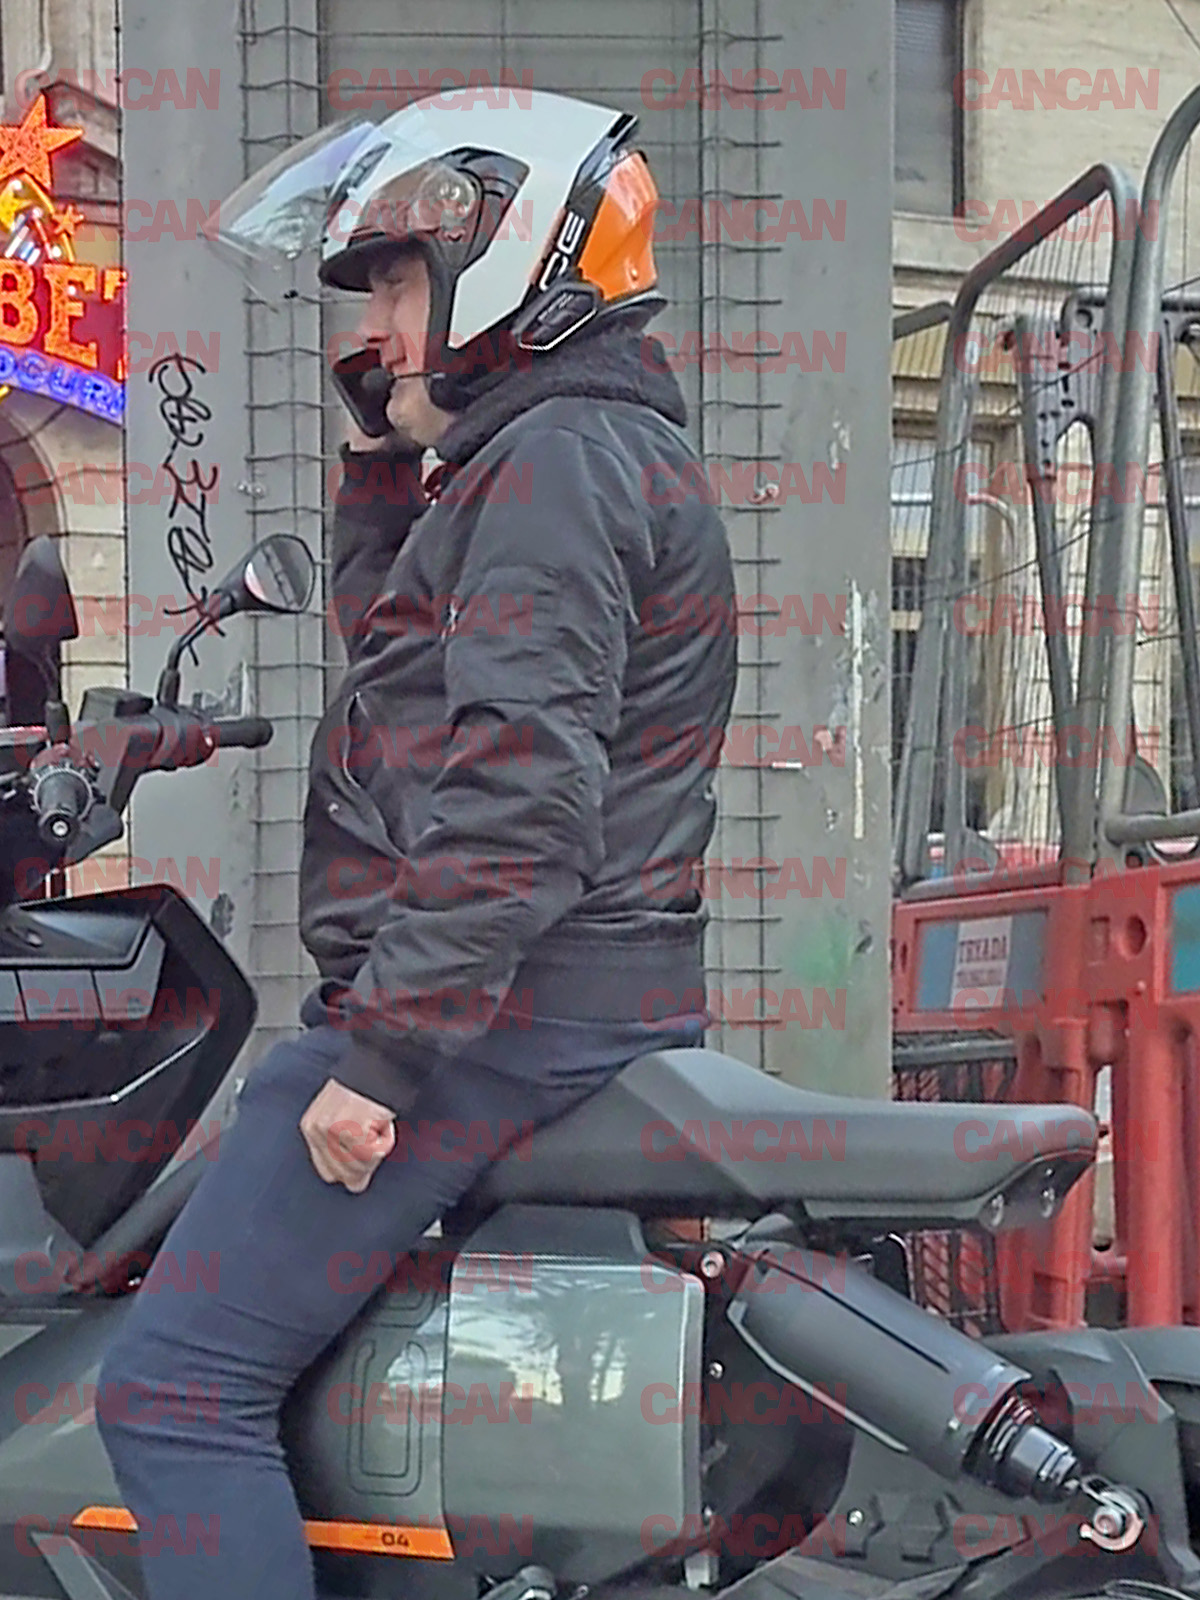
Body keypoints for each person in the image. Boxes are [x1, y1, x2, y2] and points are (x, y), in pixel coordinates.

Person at [96, 89, 737, 1600]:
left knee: (172, 1394)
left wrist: (383, 1059)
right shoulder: (563, 454)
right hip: (558, 994)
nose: (374, 326)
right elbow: (410, 681)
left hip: (503, 1014)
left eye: (393, 284)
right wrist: (386, 466)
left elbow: (518, 792)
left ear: (507, 263)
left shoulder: (557, 462)